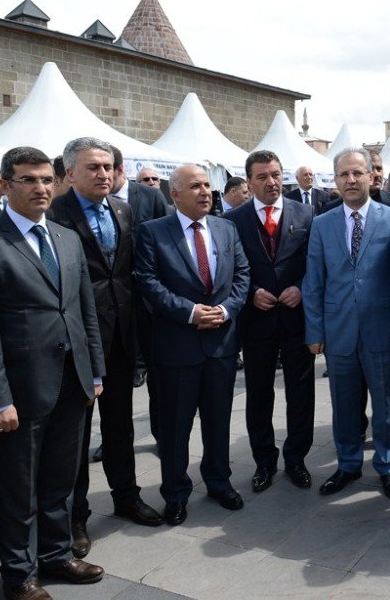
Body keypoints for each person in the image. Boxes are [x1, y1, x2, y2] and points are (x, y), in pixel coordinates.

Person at [0, 146, 107, 599]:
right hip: (19, 392)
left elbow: (85, 314)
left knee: (61, 479)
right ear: (4, 184)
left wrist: (95, 371)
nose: (40, 188)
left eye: (46, 179)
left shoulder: (66, 238)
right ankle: (18, 574)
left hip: (71, 380)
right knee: (18, 490)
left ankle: (57, 555)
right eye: (28, 180)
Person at [48, 138, 163, 558]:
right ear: (70, 173)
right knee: (75, 434)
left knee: (120, 424)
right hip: (76, 337)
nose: (103, 174)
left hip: (121, 335)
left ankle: (126, 496)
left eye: (108, 166)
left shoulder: (123, 209)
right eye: (93, 167)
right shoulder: (54, 213)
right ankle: (75, 516)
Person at [134, 163, 250, 526]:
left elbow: (242, 274)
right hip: (176, 347)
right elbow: (148, 282)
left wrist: (226, 310)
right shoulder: (153, 232)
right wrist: (189, 312)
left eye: (207, 186)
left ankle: (219, 482)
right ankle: (176, 493)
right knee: (174, 428)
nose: (205, 192)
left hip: (221, 345)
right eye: (195, 186)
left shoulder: (226, 228)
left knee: (217, 422)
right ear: (175, 195)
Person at [304, 148, 390, 498]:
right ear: (335, 181)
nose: (350, 180)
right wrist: (315, 331)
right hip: (338, 333)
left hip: (383, 332)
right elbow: (313, 281)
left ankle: (388, 465)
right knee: (344, 406)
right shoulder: (321, 224)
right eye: (343, 175)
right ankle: (348, 464)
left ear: (370, 177)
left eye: (357, 173)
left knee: (386, 407)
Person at [224, 150, 316, 493]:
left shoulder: (307, 213)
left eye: (275, 174)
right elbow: (228, 270)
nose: (271, 182)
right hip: (257, 322)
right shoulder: (232, 221)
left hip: (296, 320)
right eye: (262, 177)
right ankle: (265, 460)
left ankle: (296, 458)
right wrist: (250, 293)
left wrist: (302, 288)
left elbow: (316, 262)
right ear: (248, 182)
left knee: (300, 392)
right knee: (259, 394)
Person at [110, 146, 171, 440]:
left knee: (158, 378)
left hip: (149, 301)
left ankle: (161, 433)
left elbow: (168, 243)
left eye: (108, 169)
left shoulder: (150, 196)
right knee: (117, 377)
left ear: (120, 170)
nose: (102, 176)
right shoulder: (90, 205)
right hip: (112, 305)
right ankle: (116, 439)